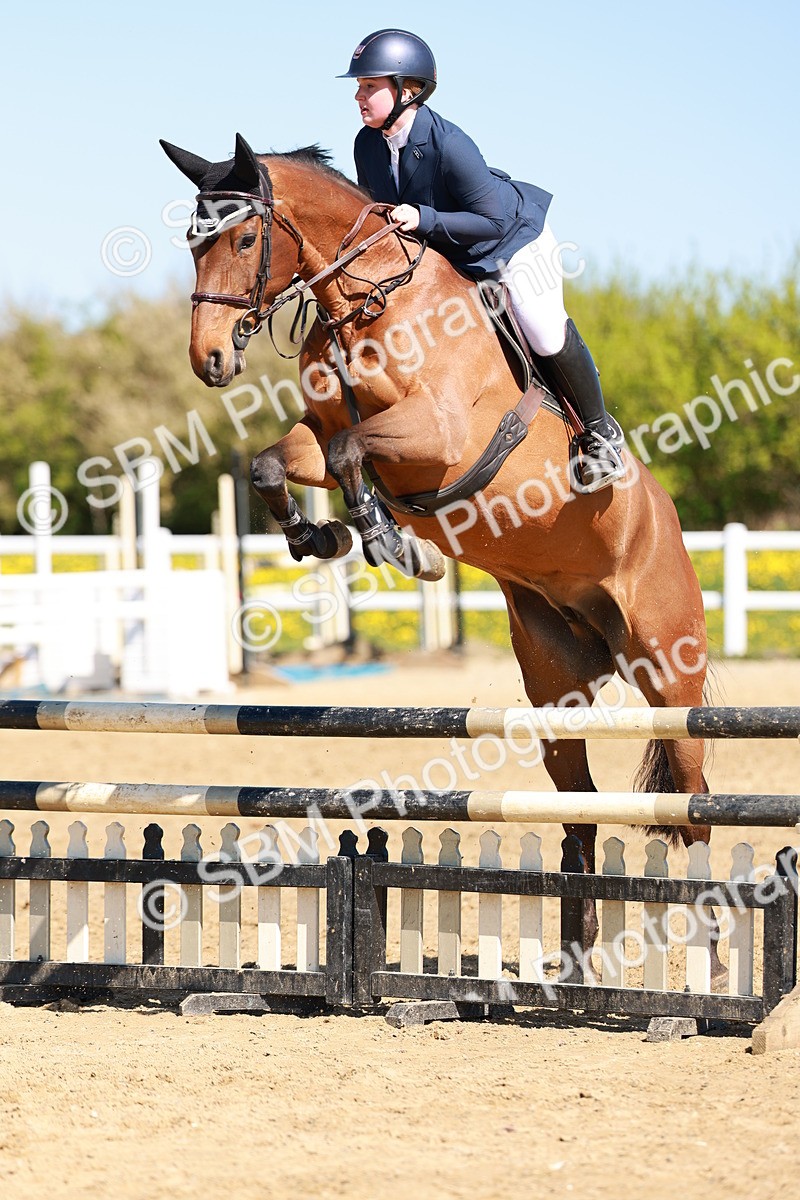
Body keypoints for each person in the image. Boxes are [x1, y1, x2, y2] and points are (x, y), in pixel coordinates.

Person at [338, 28, 626, 493]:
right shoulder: (366, 144)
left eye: (370, 86)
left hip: (511, 242)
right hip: (452, 256)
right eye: (359, 86)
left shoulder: (449, 144)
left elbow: (490, 223)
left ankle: (601, 433)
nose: (359, 95)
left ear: (407, 89)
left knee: (541, 328)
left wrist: (423, 216)